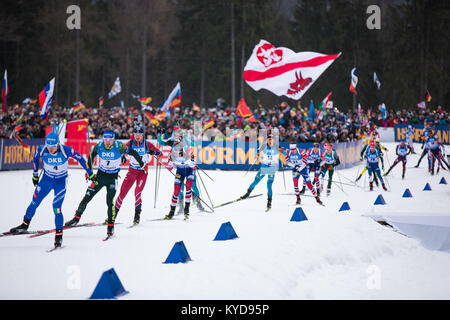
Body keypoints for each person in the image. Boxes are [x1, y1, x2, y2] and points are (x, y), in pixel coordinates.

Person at [9, 131, 94, 248]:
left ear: (58, 144)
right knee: (34, 203)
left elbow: (81, 159)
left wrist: (90, 173)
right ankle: (24, 224)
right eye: (49, 146)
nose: (51, 149)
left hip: (60, 182)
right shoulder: (42, 149)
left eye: (53, 147)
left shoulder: (65, 150)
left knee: (56, 208)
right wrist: (35, 175)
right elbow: (35, 159)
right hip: (46, 180)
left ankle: (59, 235)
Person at [64, 129, 145, 237]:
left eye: (109, 139)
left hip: (112, 178)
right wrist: (89, 172)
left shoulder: (119, 146)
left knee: (109, 201)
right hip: (100, 176)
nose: (107, 141)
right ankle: (76, 218)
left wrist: (141, 163)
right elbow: (90, 158)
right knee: (88, 195)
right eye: (105, 139)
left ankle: (111, 227)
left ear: (113, 139)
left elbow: (133, 152)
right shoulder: (99, 146)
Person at [114, 126, 162, 225]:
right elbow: (121, 152)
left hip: (143, 172)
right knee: (122, 193)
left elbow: (160, 153)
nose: (137, 137)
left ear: (142, 135)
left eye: (139, 135)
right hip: (132, 171)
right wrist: (122, 157)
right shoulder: (130, 143)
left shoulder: (147, 144)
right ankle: (113, 216)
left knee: (137, 193)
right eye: (136, 135)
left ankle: (137, 216)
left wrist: (153, 152)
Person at [239, 134, 279, 211]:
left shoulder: (276, 147)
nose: (270, 141)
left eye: (272, 140)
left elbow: (283, 153)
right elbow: (257, 151)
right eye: (269, 140)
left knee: (269, 184)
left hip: (272, 168)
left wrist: (283, 153)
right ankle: (247, 194)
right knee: (256, 181)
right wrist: (257, 153)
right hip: (264, 167)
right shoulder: (263, 145)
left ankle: (269, 202)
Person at [164, 134, 197, 220]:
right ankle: (171, 212)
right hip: (180, 171)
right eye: (175, 139)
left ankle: (186, 210)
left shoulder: (186, 148)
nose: (176, 141)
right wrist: (169, 163)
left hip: (189, 170)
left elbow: (194, 163)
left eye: (178, 139)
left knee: (188, 188)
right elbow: (170, 167)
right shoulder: (172, 151)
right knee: (176, 191)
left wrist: (191, 162)